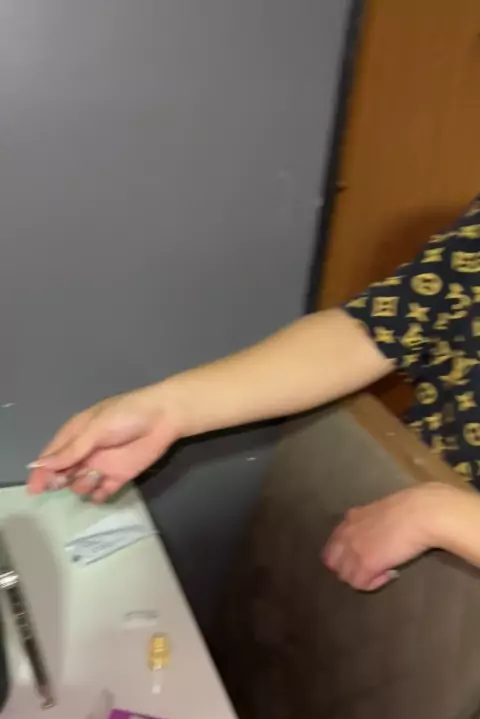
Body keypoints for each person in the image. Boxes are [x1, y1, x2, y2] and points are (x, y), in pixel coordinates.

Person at [28, 196, 480, 592]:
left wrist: (442, 515)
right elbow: (378, 329)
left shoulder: (431, 514)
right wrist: (170, 408)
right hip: (417, 557)